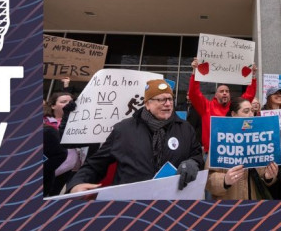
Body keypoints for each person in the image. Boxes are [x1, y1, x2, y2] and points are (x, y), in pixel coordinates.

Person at [67, 79, 204, 193]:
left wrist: (193, 162)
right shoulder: (123, 129)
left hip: (172, 200)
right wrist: (77, 183)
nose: (168, 104)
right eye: (161, 100)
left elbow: (196, 155)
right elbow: (95, 164)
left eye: (169, 99)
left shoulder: (185, 128)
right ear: (147, 104)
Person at [206, 97, 278, 199]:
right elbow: (209, 180)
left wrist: (269, 177)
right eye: (246, 111)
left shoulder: (261, 139)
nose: (251, 115)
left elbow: (267, 176)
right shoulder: (220, 139)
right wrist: (225, 180)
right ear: (233, 114)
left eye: (252, 111)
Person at [188, 58, 257, 153]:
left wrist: (252, 75)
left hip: (232, 151)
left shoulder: (235, 106)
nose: (225, 93)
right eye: (221, 91)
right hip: (211, 154)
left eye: (227, 91)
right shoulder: (206, 107)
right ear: (215, 95)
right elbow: (194, 94)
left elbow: (249, 95)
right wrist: (195, 72)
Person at [43, 91, 81, 196]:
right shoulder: (44, 121)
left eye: (71, 101)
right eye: (64, 101)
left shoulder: (79, 122)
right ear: (53, 106)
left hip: (66, 168)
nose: (68, 104)